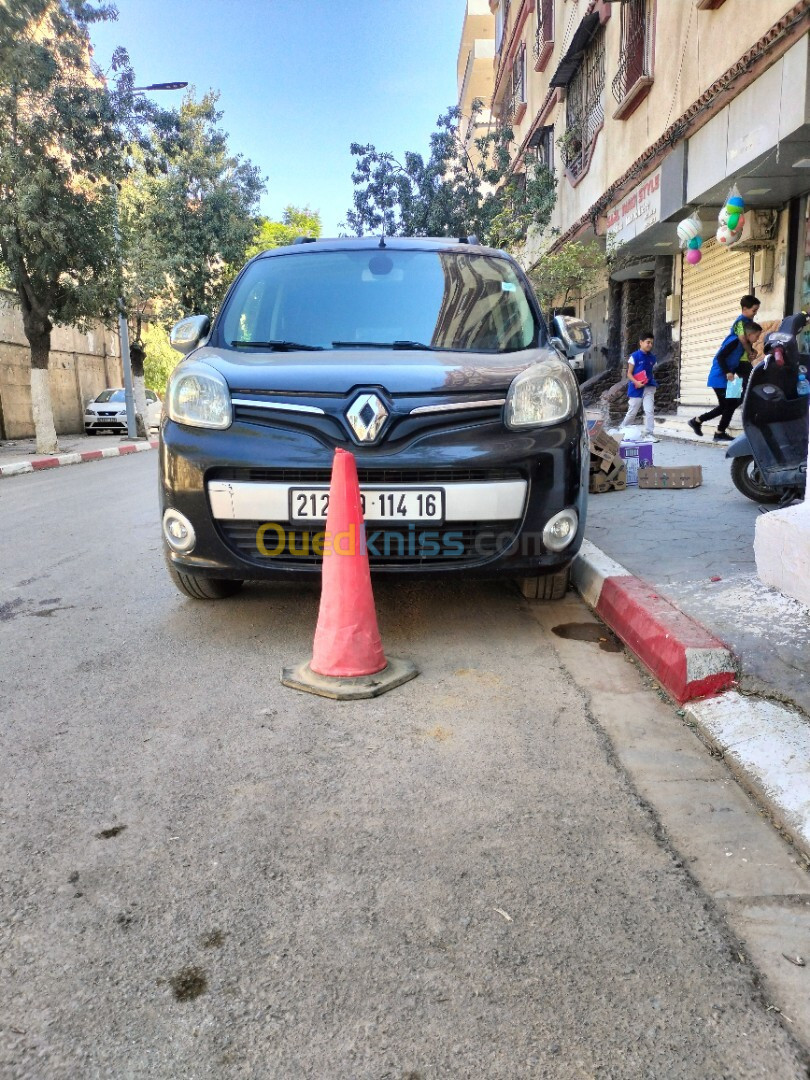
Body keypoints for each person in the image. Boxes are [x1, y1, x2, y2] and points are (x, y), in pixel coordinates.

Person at [689, 294, 762, 441]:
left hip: (731, 372)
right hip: (721, 375)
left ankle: (700, 422)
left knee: (730, 404)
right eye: (756, 337)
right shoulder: (737, 336)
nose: (758, 340)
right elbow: (721, 357)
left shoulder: (746, 326)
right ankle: (717, 431)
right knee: (729, 405)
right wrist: (729, 371)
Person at [619, 332, 658, 443]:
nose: (650, 345)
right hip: (636, 388)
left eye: (651, 343)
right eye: (648, 342)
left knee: (649, 410)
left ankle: (649, 433)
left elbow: (652, 370)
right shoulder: (634, 356)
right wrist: (637, 382)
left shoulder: (653, 358)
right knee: (632, 411)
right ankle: (621, 430)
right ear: (641, 342)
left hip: (649, 387)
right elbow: (629, 373)